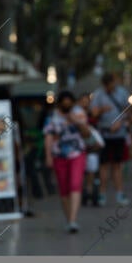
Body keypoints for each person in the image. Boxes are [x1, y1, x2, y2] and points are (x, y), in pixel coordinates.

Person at [43, 91, 90, 233]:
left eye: (69, 103)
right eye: (64, 103)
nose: (67, 106)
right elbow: (48, 136)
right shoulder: (52, 116)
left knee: (75, 184)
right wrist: (48, 156)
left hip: (77, 153)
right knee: (64, 189)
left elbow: (87, 133)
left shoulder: (79, 113)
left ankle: (73, 220)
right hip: (59, 155)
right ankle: (69, 218)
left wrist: (76, 121)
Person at [90, 72, 131, 206]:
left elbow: (128, 111)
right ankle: (102, 195)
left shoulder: (122, 92)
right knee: (104, 166)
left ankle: (120, 194)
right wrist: (102, 110)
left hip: (119, 134)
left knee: (117, 165)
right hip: (104, 134)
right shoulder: (98, 94)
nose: (110, 87)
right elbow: (93, 113)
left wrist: (120, 122)